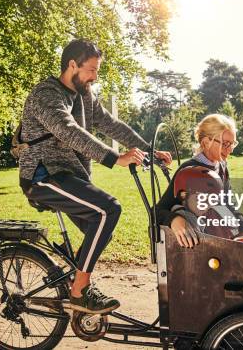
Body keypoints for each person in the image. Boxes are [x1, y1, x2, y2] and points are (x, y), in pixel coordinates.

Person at [19, 38, 172, 314]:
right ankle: (79, 292)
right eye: (91, 70)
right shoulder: (46, 94)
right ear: (72, 65)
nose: (94, 77)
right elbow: (69, 131)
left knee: (101, 231)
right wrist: (115, 159)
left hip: (68, 176)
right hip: (43, 175)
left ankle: (76, 283)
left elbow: (111, 125)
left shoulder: (85, 96)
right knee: (107, 210)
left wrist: (148, 151)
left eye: (96, 72)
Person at [155, 114, 243, 248]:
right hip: (197, 244)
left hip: (219, 235)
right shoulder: (188, 170)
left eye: (232, 144)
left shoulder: (222, 166)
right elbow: (158, 210)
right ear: (205, 142)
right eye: (225, 144)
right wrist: (174, 219)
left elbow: (229, 204)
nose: (230, 149)